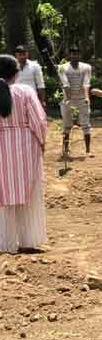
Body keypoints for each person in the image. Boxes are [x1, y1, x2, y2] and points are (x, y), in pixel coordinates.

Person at [0, 55, 48, 254]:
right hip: (26, 148)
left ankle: (5, 243)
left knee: (3, 196)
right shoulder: (26, 91)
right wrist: (42, 143)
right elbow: (39, 121)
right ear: (17, 73)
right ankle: (28, 241)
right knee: (30, 194)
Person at [58, 45, 92, 158]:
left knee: (86, 124)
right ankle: (66, 149)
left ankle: (88, 150)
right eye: (72, 54)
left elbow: (86, 83)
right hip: (68, 98)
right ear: (69, 55)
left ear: (79, 55)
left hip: (82, 98)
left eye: (77, 54)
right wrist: (68, 99)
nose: (74, 56)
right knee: (67, 125)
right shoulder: (62, 68)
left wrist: (87, 98)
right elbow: (66, 84)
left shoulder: (86, 67)